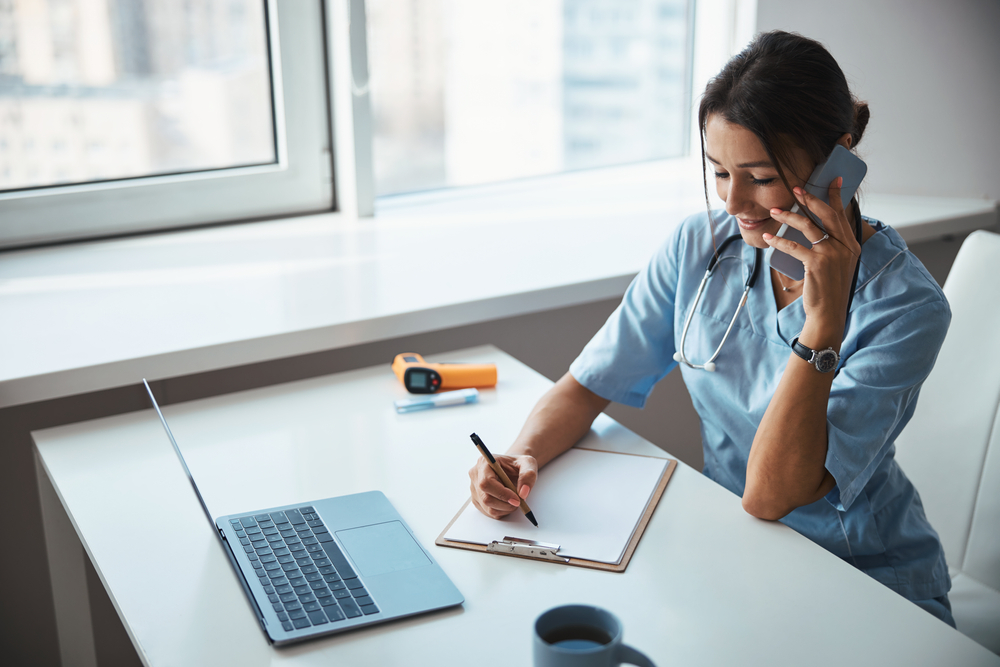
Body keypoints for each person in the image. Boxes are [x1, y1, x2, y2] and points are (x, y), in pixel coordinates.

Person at [468, 30, 955, 626]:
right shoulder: (701, 247)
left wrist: (824, 324)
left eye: (759, 175)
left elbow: (771, 495)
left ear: (839, 162)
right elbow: (586, 385)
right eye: (720, 171)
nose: (734, 202)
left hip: (861, 578)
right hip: (738, 555)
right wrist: (519, 459)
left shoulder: (906, 308)